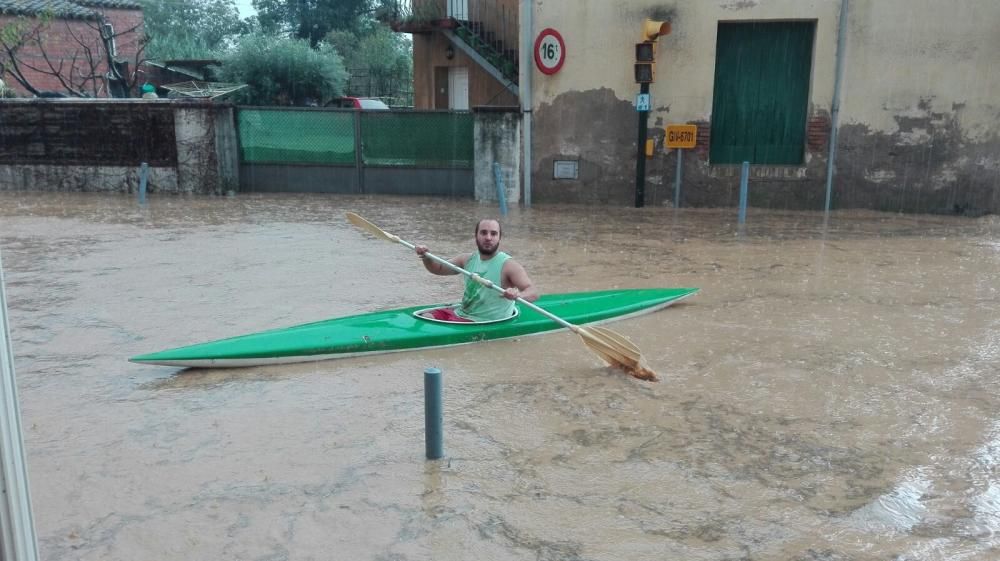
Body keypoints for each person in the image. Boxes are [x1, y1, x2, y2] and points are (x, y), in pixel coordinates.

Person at [414, 218, 538, 322]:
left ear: (499, 238)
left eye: (493, 233)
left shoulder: (509, 265)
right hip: (461, 314)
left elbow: (532, 292)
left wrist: (518, 295)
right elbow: (438, 268)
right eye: (483, 233)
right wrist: (426, 256)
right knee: (426, 317)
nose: (488, 237)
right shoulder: (466, 259)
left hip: (484, 322)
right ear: (476, 236)